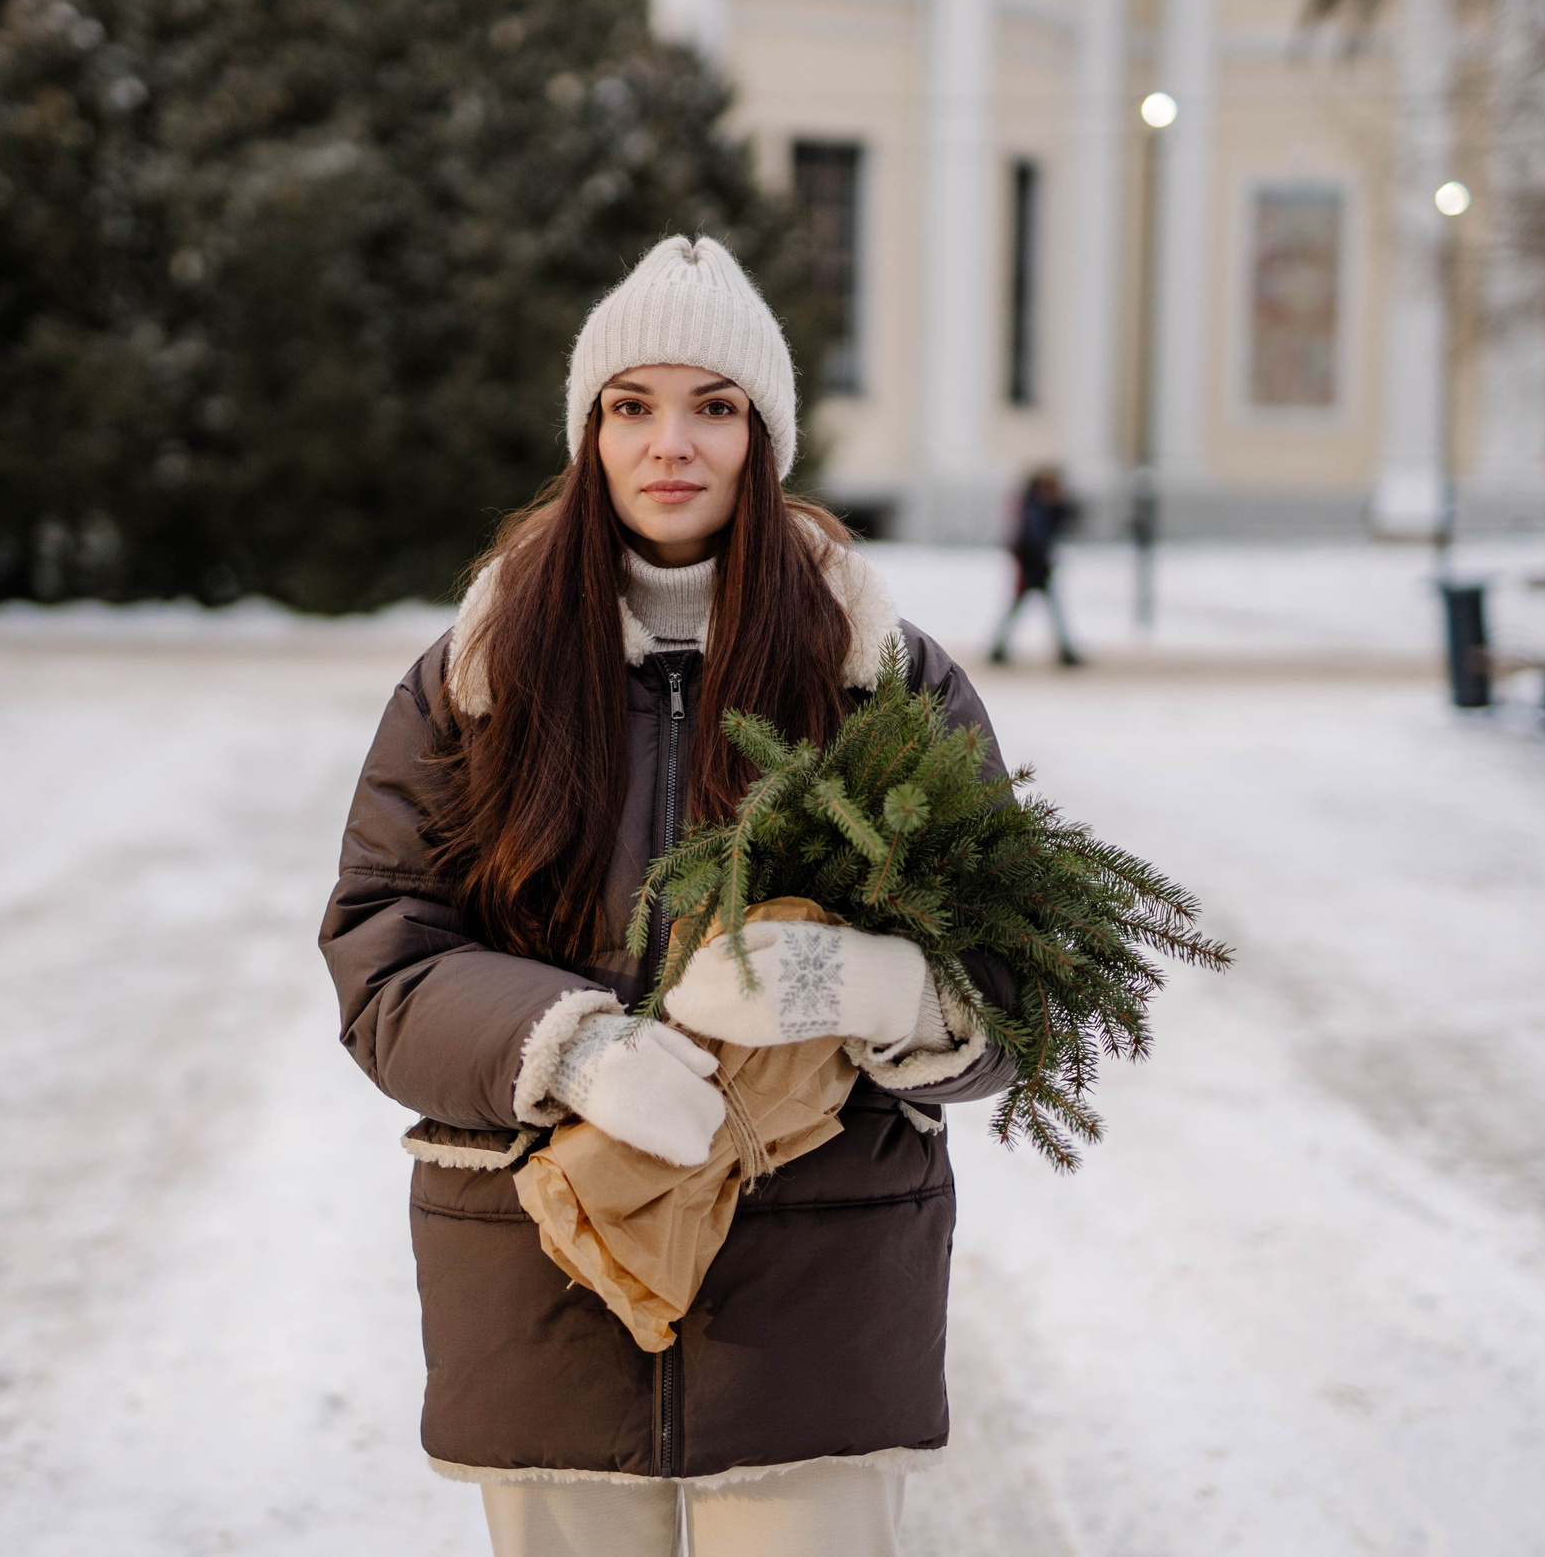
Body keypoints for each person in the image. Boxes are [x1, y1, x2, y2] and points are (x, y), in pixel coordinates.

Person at [320, 237, 1023, 1557]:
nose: (672, 443)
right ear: (589, 431)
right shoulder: (475, 674)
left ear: (765, 436)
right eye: (632, 405)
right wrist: (570, 1044)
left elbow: (1023, 971)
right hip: (546, 1278)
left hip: (811, 1299)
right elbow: (386, 952)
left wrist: (882, 986)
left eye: (714, 405)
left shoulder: (883, 675)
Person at [989, 467, 1081, 668]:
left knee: (1024, 608)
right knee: (1041, 609)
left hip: (1035, 565)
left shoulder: (1040, 505)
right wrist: (1038, 564)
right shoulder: (1036, 507)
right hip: (1035, 566)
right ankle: (1065, 651)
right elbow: (1034, 538)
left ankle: (998, 648)